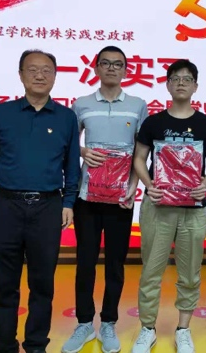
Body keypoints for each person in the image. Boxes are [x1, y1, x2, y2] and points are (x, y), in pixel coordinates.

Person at [0, 49, 81, 353]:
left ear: (55, 76)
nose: (39, 75)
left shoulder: (66, 117)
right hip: (5, 206)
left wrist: (68, 203)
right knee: (2, 284)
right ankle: (4, 345)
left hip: (47, 208)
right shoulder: (2, 113)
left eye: (46, 70)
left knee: (42, 284)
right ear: (21, 75)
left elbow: (71, 164)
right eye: (32, 69)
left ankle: (36, 345)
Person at [131, 59, 206, 353]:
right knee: (151, 272)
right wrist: (149, 184)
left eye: (187, 79)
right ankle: (147, 328)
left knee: (190, 273)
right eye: (175, 78)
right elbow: (139, 158)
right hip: (158, 207)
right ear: (167, 84)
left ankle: (183, 329)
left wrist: (205, 183)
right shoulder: (154, 122)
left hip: (192, 210)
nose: (181, 83)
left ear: (195, 86)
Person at [62, 46, 149, 353]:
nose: (112, 68)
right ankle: (85, 323)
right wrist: (83, 151)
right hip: (87, 196)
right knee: (85, 262)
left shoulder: (138, 105)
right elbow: (69, 144)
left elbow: (141, 151)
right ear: (96, 68)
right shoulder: (82, 104)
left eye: (118, 64)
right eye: (106, 63)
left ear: (126, 70)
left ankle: (109, 322)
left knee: (115, 263)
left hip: (121, 197)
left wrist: (133, 186)